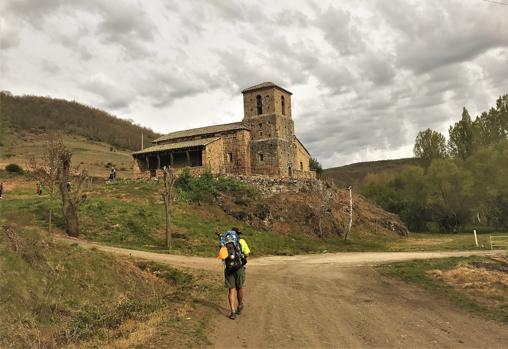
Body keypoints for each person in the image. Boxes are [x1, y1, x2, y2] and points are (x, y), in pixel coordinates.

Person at [218, 227, 250, 320]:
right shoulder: (242, 241)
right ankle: (240, 305)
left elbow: (222, 256)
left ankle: (232, 311)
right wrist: (242, 255)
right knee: (240, 287)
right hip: (239, 267)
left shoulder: (224, 242)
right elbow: (247, 253)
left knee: (231, 290)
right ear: (237, 234)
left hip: (228, 268)